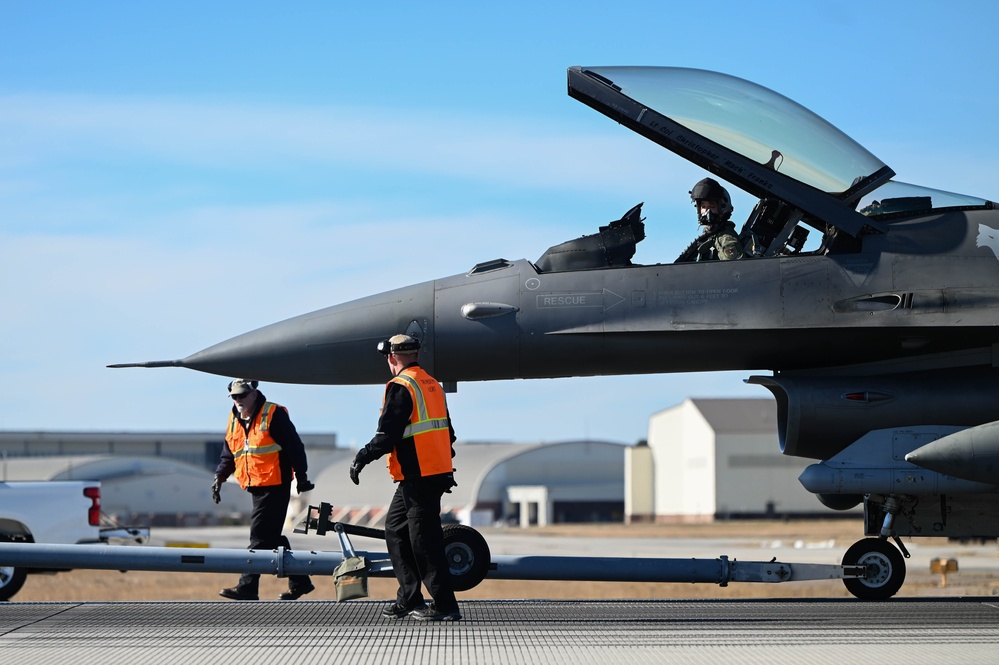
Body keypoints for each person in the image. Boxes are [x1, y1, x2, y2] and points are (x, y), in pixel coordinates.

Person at [349, 334, 461, 622]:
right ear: (416, 355)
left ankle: (445, 604)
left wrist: (362, 457)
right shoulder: (431, 384)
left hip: (420, 475)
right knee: (396, 530)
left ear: (391, 358)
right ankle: (410, 598)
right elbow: (448, 432)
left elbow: (387, 436)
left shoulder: (401, 386)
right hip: (428, 474)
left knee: (424, 540)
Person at [212, 379, 316, 601]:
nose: (238, 400)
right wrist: (220, 476)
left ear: (254, 393)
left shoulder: (273, 414)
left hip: (275, 485)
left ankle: (247, 586)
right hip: (256, 486)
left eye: (242, 395)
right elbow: (229, 453)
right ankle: (300, 581)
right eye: (234, 396)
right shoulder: (234, 419)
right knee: (271, 538)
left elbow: (294, 447)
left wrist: (302, 476)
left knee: (258, 537)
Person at [675, 177, 745, 262]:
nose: (707, 211)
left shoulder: (725, 237)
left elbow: (735, 269)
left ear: (722, 208)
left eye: (712, 206)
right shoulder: (710, 235)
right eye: (703, 207)